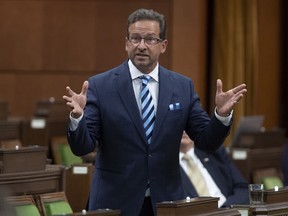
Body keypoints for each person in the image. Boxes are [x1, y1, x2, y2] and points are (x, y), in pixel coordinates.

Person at [63, 8, 247, 216]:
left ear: (163, 45)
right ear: (126, 43)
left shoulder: (182, 87)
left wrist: (221, 115)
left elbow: (207, 142)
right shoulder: (101, 86)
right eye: (135, 38)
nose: (141, 45)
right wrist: (77, 118)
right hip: (115, 201)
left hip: (165, 202)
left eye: (150, 39)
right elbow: (82, 147)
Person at [179, 131, 249, 208]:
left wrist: (225, 210)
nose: (184, 131)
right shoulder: (165, 165)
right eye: (180, 124)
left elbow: (243, 188)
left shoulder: (215, 152)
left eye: (187, 124)